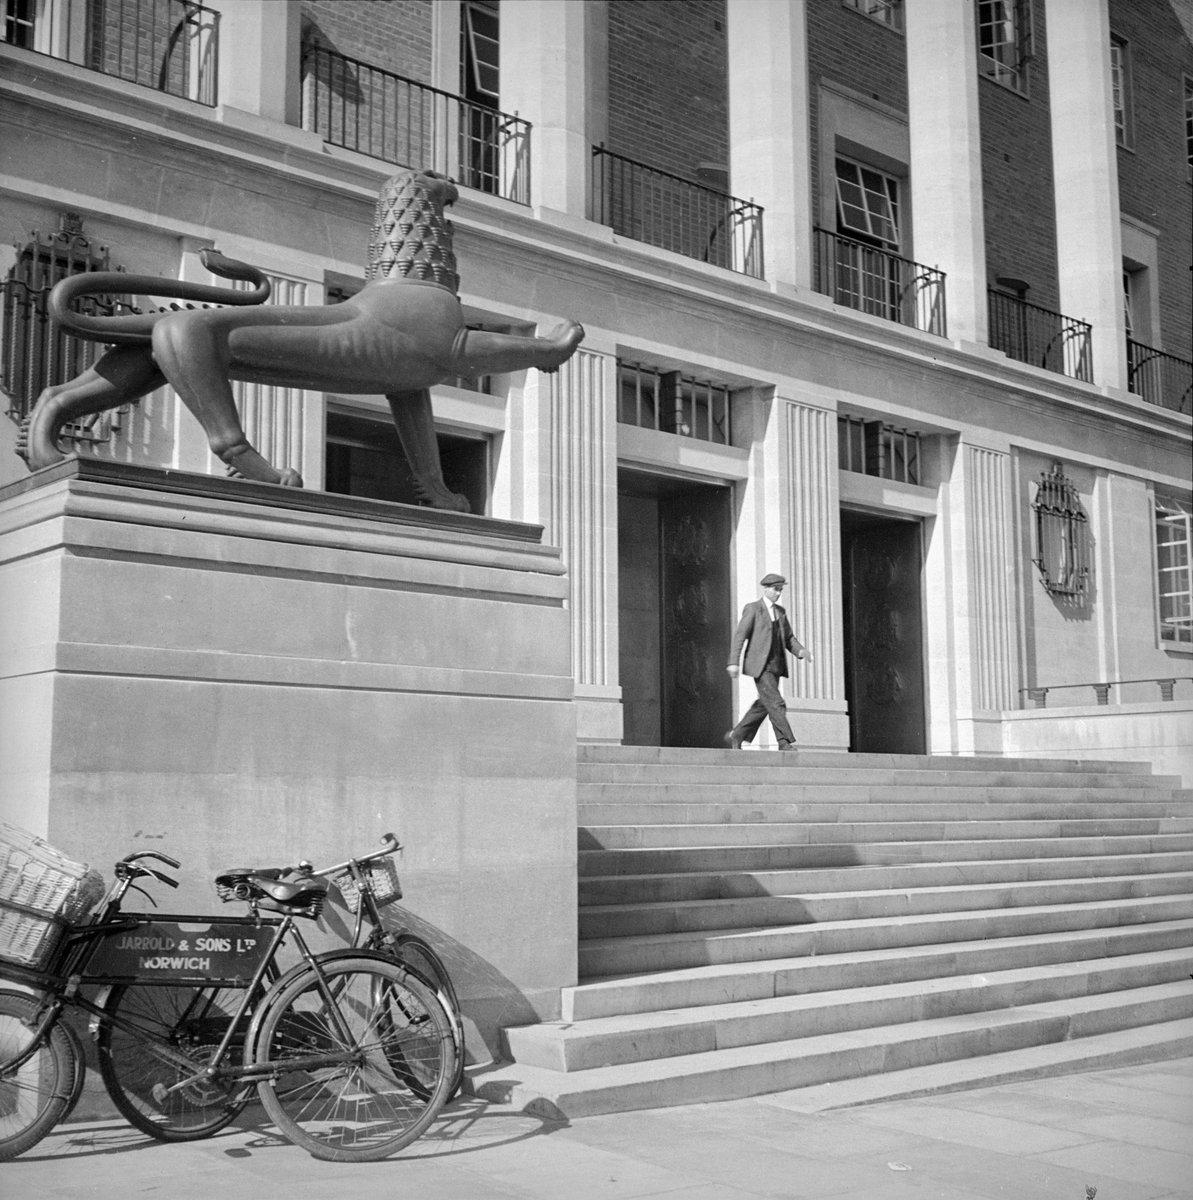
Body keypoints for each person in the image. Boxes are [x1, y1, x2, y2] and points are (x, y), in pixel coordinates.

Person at [725, 572, 811, 752]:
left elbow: (788, 637)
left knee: (765, 703)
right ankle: (784, 742)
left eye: (780, 590)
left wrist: (800, 650)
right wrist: (734, 661)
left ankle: (738, 734)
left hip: (776, 665)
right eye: (775, 589)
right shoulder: (753, 609)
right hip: (760, 666)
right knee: (776, 702)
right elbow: (740, 636)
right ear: (765, 589)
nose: (778, 593)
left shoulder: (780, 612)